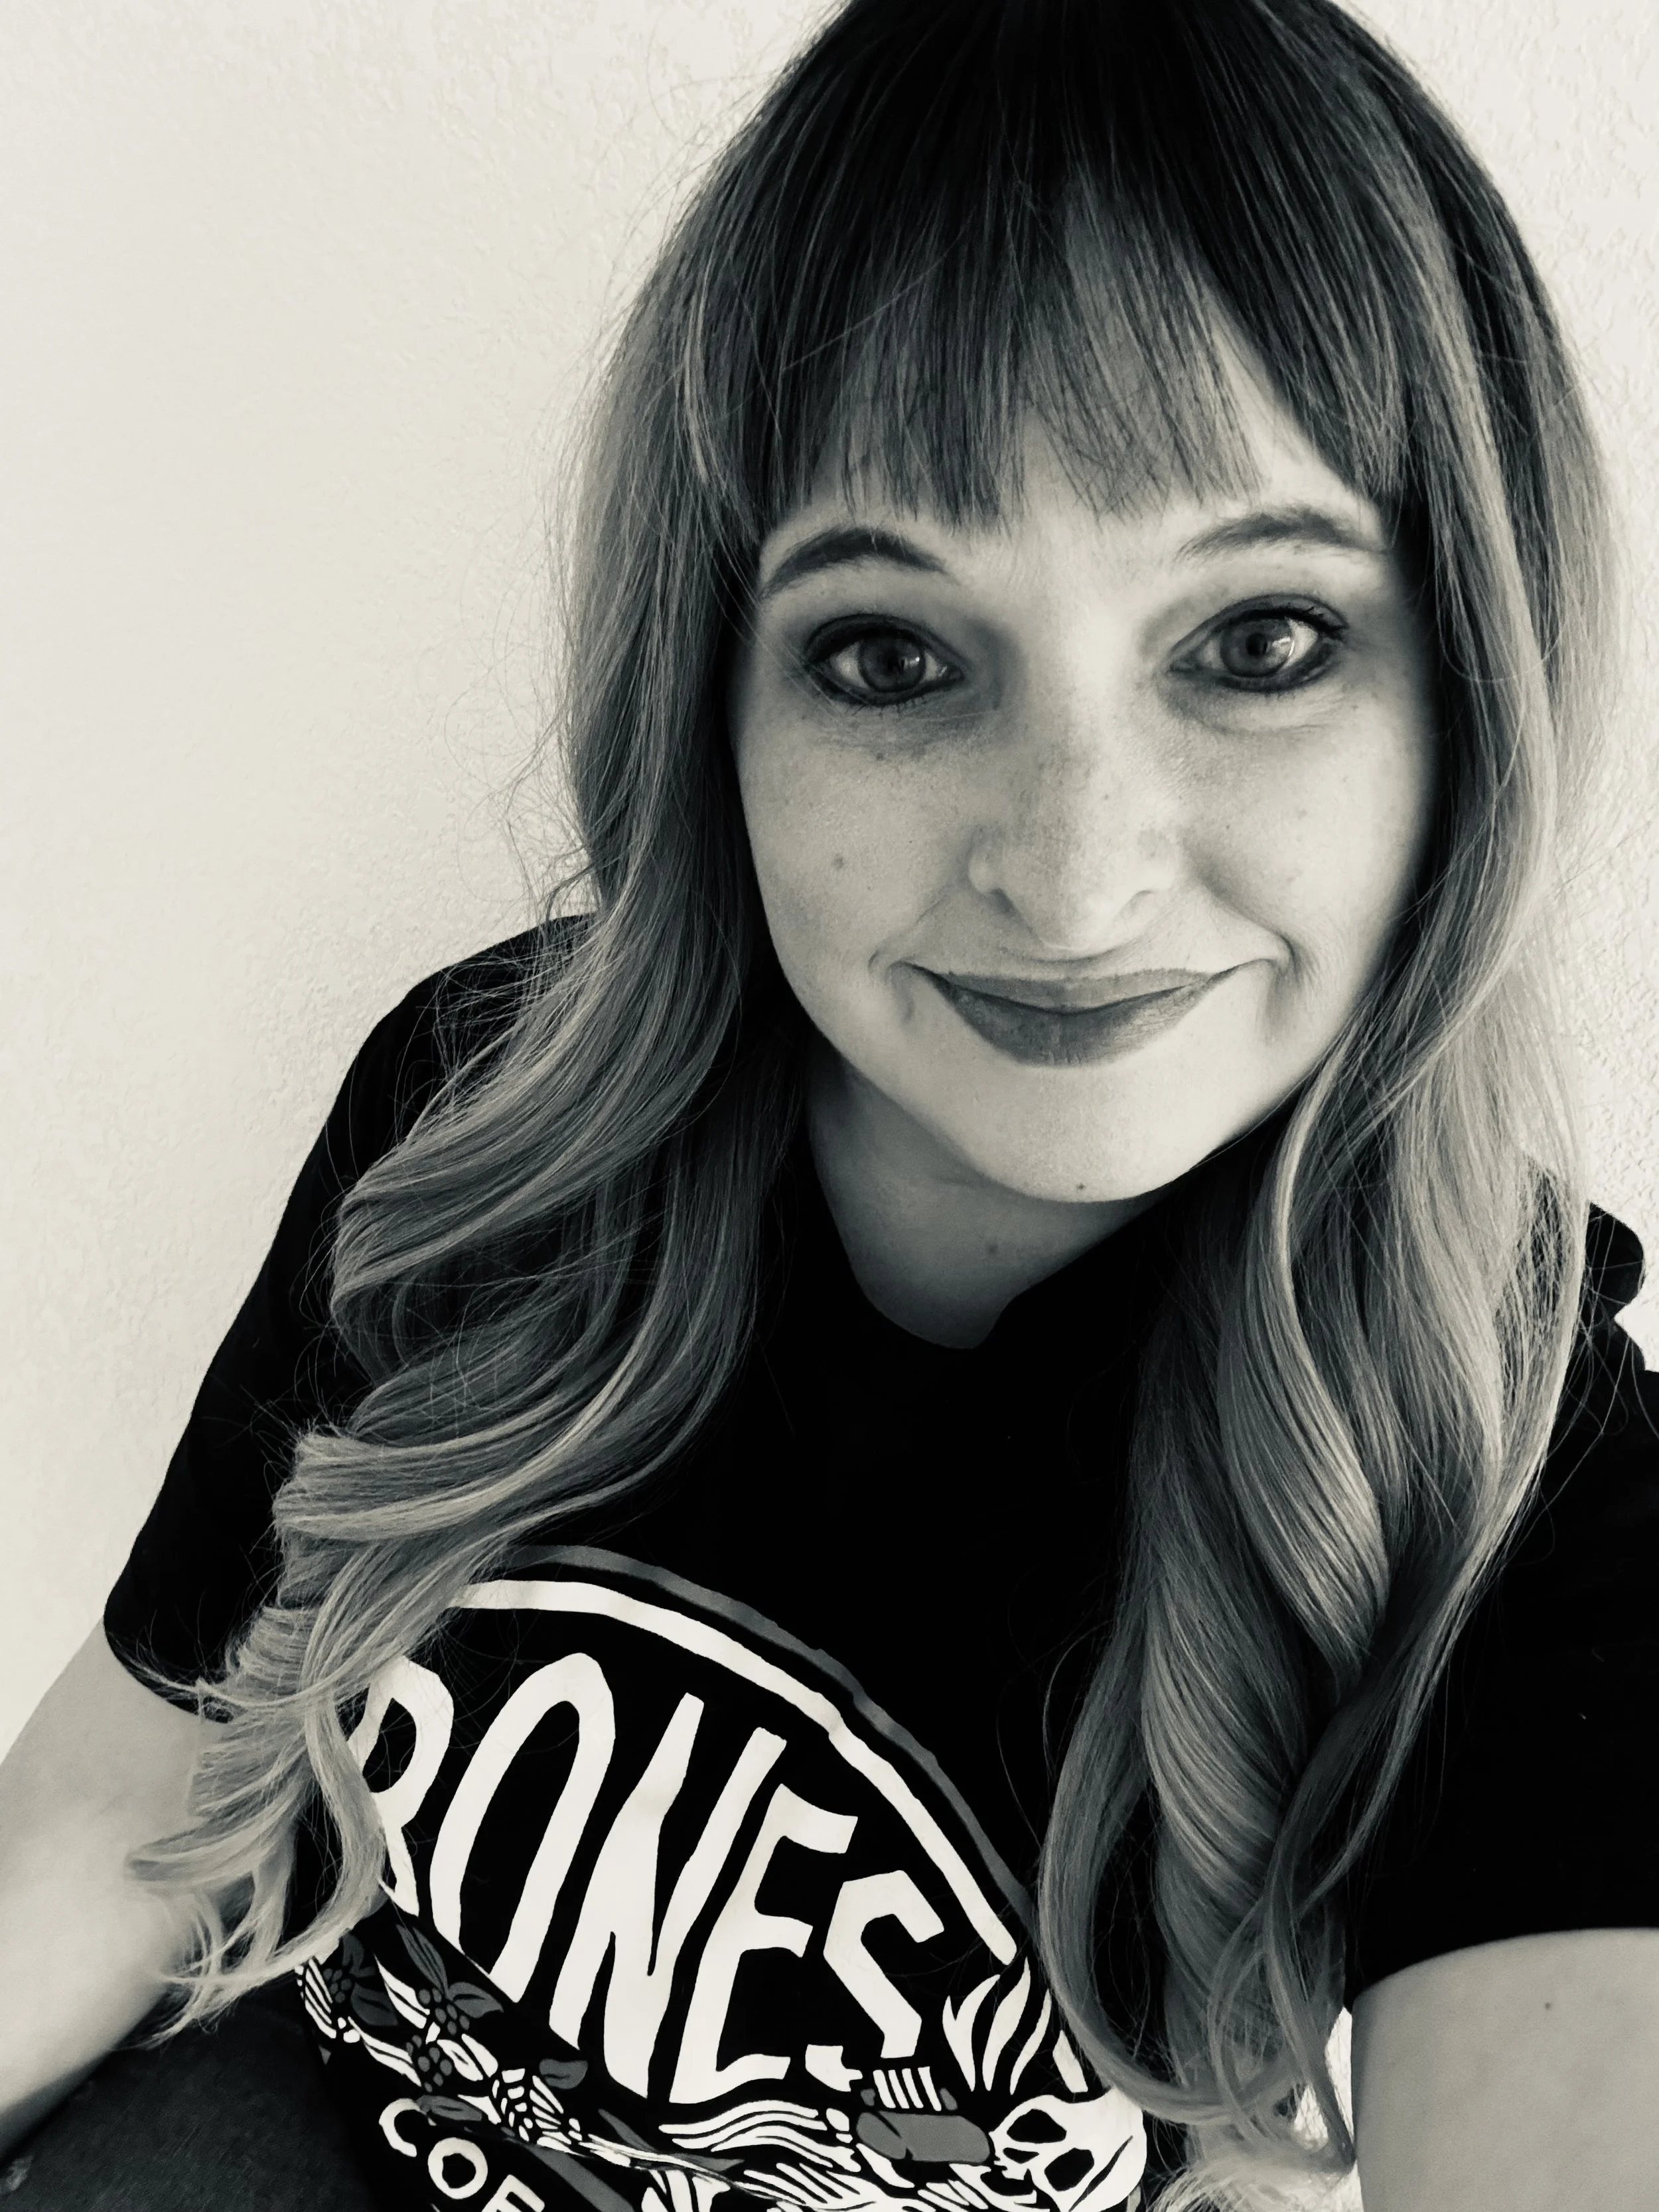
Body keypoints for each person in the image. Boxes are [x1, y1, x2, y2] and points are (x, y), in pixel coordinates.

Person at [2, 0, 1655, 2206]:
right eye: (891, 653)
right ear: (719, 709)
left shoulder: (1509, 1486)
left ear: (1470, 684)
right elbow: (135, 1800)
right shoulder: (487, 1113)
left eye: (1256, 641)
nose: (1070, 872)